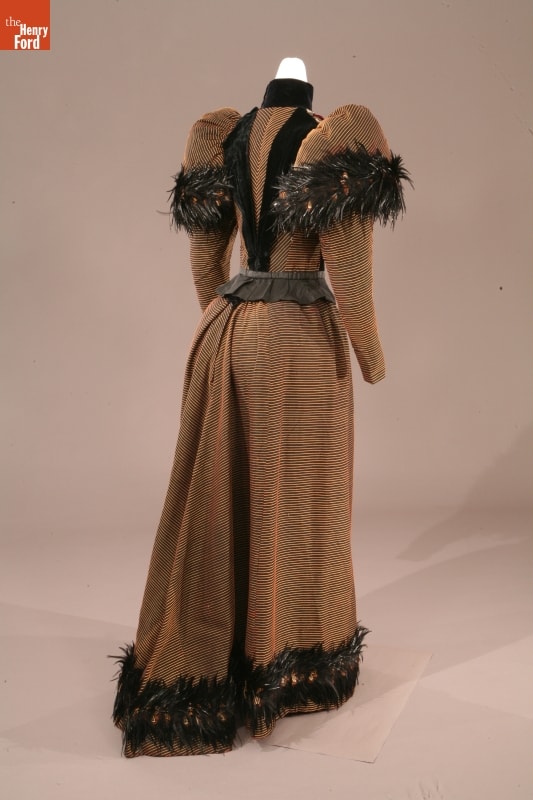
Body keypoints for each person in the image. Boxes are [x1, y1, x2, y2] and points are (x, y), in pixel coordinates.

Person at [111, 58, 411, 757]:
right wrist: (370, 355)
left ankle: (222, 652)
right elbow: (349, 270)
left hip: (227, 331)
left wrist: (221, 317)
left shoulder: (225, 136)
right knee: (301, 504)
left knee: (229, 494)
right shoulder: (332, 135)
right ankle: (291, 665)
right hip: (298, 340)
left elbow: (205, 262)